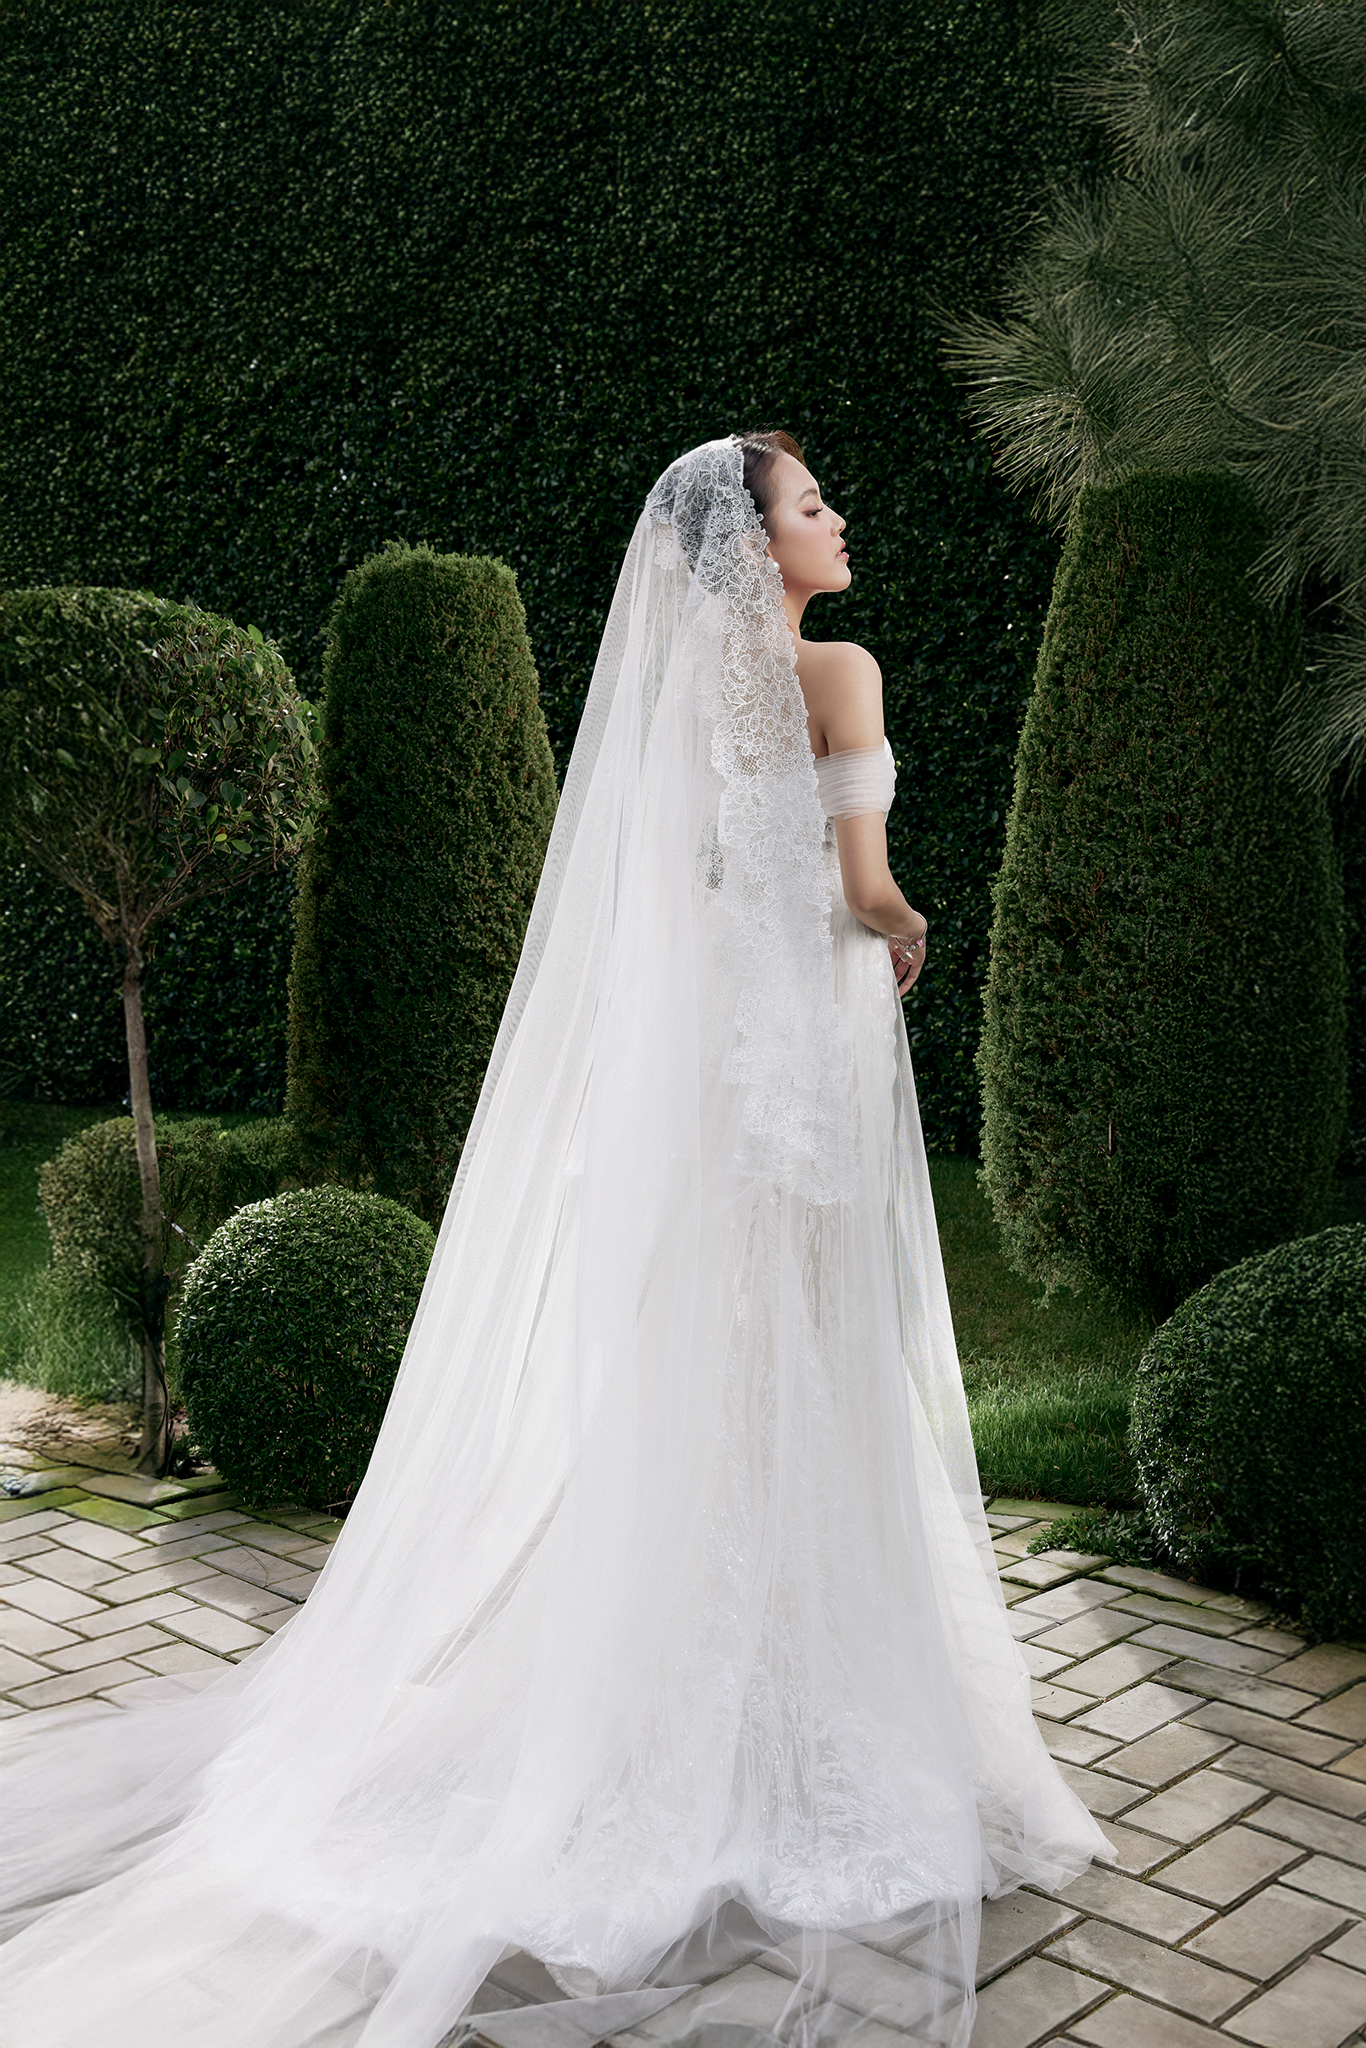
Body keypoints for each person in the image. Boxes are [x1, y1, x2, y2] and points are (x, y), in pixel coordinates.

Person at [0, 434, 1107, 2048]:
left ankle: (680, 1669)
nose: (839, 518)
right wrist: (909, 922)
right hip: (810, 1037)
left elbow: (689, 892)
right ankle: (801, 1685)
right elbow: (860, 888)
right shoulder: (838, 670)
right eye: (812, 505)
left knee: (724, 1341)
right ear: (756, 546)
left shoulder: (680, 700)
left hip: (720, 1064)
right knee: (810, 1341)